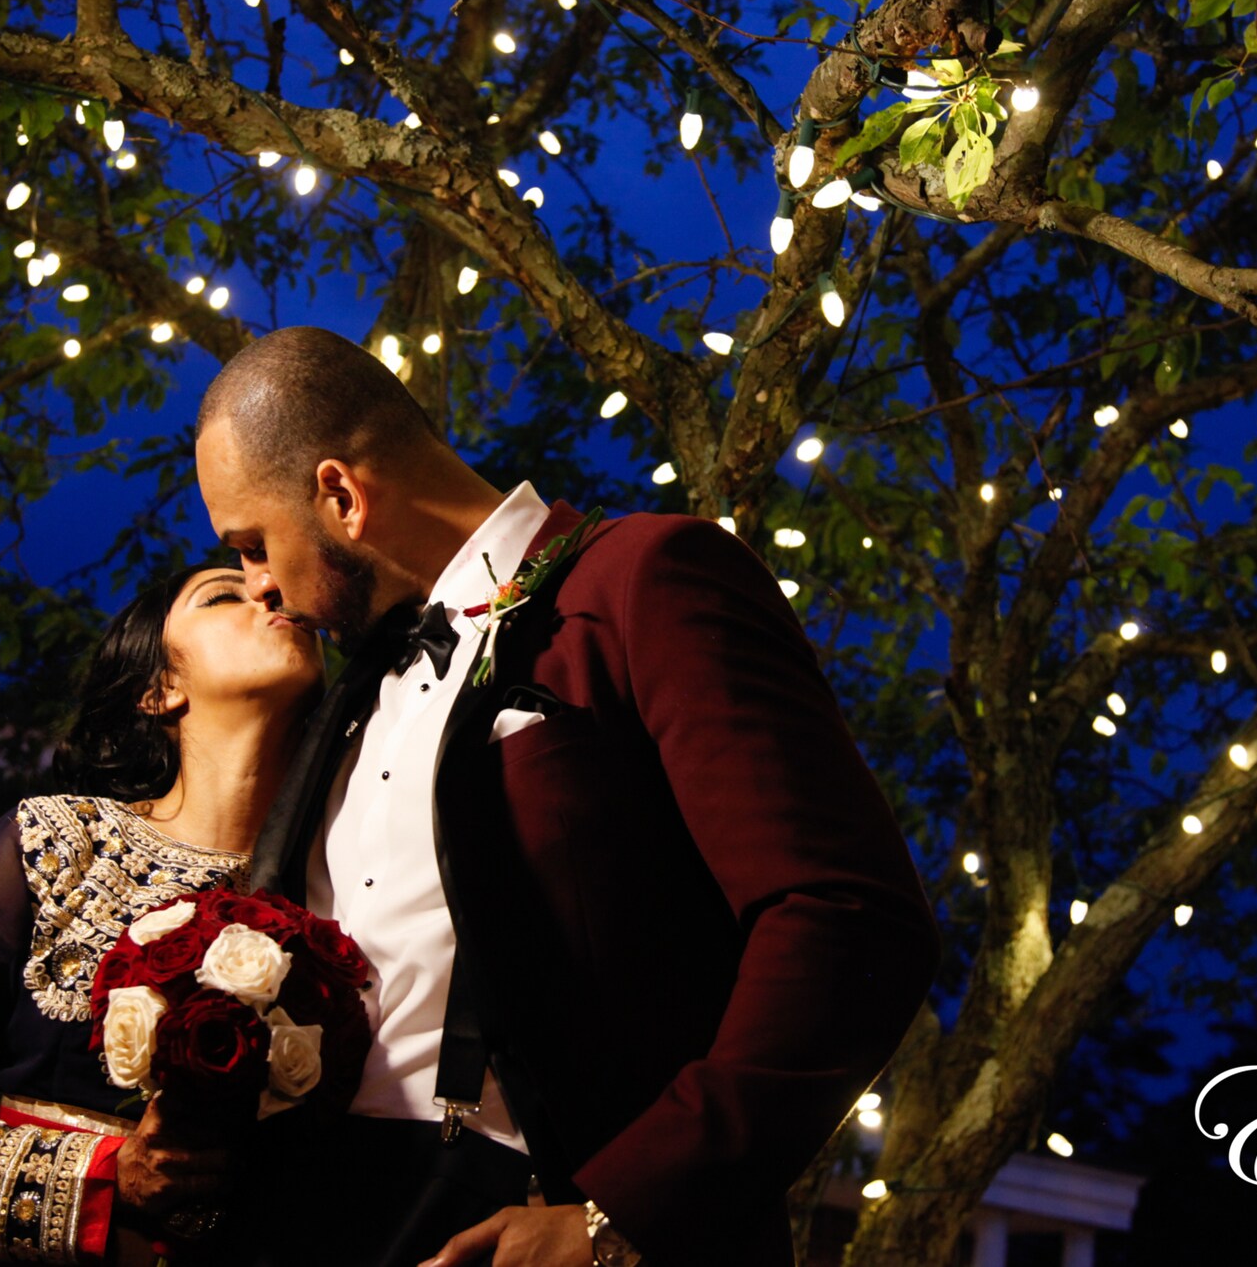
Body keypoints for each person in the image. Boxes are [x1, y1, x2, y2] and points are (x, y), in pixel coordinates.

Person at [195, 326, 942, 1267]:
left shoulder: (645, 577)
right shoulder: (351, 691)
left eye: (252, 543)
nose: (256, 584)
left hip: (537, 1213)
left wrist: (614, 1218)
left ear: (342, 495)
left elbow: (848, 918)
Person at [0, 563, 322, 1263]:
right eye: (222, 595)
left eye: (276, 585)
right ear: (160, 688)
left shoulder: (347, 889)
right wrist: (103, 1180)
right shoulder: (59, 843)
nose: (272, 588)